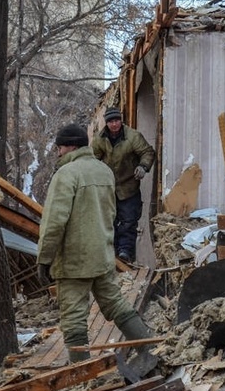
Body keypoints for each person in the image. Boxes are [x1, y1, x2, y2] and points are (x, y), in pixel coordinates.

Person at [37, 123, 152, 363]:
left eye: (60, 148)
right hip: (102, 254)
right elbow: (111, 213)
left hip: (73, 260)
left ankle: (81, 371)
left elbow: (54, 222)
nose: (58, 153)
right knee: (116, 304)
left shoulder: (66, 174)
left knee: (74, 317)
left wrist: (44, 258)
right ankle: (148, 350)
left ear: (70, 146)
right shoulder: (104, 171)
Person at [91, 106, 155, 263]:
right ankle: (110, 254)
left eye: (117, 120)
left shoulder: (132, 136)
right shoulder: (100, 139)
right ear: (106, 123)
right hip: (108, 188)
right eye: (111, 121)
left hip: (128, 187)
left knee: (128, 221)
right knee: (108, 221)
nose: (114, 124)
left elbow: (147, 152)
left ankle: (125, 253)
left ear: (121, 120)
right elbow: (92, 159)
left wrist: (143, 167)